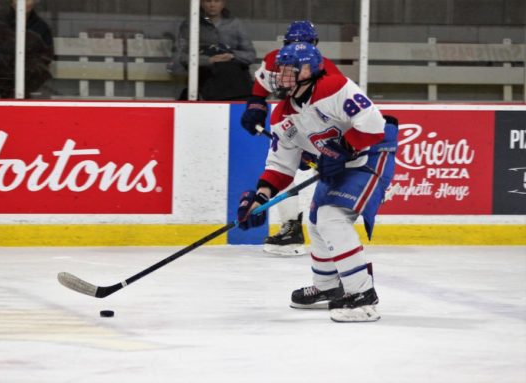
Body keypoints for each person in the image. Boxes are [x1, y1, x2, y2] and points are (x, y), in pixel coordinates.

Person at [236, 42, 398, 322]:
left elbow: (373, 123)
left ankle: (362, 294)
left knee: (331, 217)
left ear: (310, 70)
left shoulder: (333, 87)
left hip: (371, 155)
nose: (280, 75)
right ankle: (327, 286)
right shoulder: (282, 116)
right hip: (339, 164)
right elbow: (280, 167)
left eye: (289, 69)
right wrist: (260, 198)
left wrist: (345, 148)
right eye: (280, 69)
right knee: (315, 220)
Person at [240, 21, 345, 256]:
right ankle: (291, 228)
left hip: (323, 127)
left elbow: (351, 122)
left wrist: (320, 147)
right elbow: (261, 88)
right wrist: (256, 106)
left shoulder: (330, 77)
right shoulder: (274, 64)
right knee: (283, 168)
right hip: (295, 119)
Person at [171, 0, 256, 101]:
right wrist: (209, 60)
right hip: (205, 73)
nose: (212, 5)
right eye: (208, 1)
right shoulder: (191, 24)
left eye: (217, 1)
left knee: (232, 74)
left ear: (223, 3)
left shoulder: (235, 24)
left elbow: (250, 55)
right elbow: (181, 57)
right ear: (201, 3)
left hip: (233, 74)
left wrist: (232, 55)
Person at [0, 0, 54, 98]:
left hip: (33, 83)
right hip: (3, 82)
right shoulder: (1, 26)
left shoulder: (42, 28)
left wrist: (27, 68)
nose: (25, 3)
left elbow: (46, 58)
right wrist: (9, 65)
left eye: (29, 0)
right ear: (12, 2)